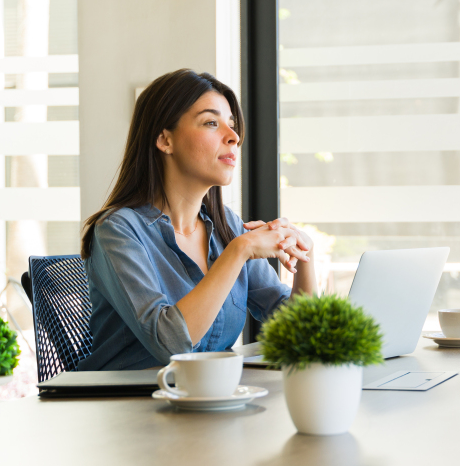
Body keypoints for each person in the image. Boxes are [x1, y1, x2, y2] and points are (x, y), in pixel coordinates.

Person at [77, 69, 315, 371]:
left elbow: (301, 335)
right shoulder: (117, 230)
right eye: (211, 123)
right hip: (130, 407)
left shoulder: (226, 225)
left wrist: (305, 259)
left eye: (232, 125)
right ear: (165, 140)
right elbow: (169, 343)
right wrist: (239, 251)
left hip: (206, 402)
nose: (234, 137)